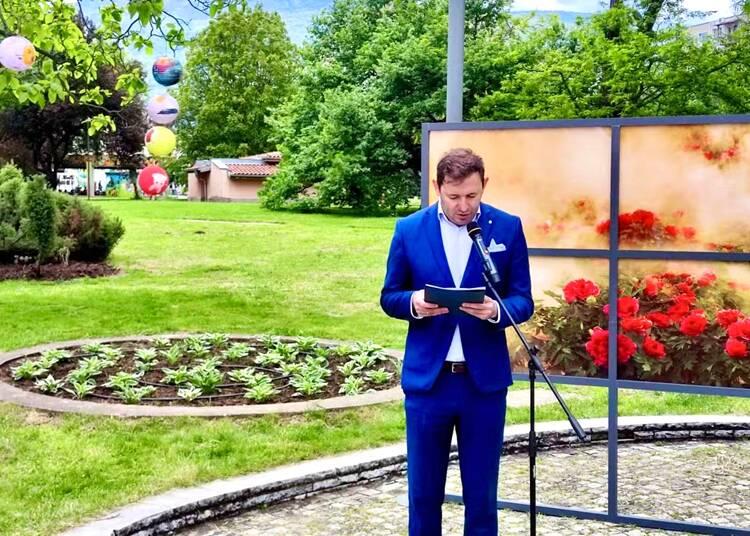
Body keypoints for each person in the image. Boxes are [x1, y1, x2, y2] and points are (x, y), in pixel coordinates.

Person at [380, 148, 533, 536]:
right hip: (428, 385)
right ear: (437, 188)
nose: (464, 206)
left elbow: (523, 300)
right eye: (453, 196)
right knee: (423, 494)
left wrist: (496, 311)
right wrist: (413, 303)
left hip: (483, 387)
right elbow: (389, 296)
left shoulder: (507, 228)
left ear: (484, 186)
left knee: (481, 496)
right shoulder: (409, 230)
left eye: (472, 195)